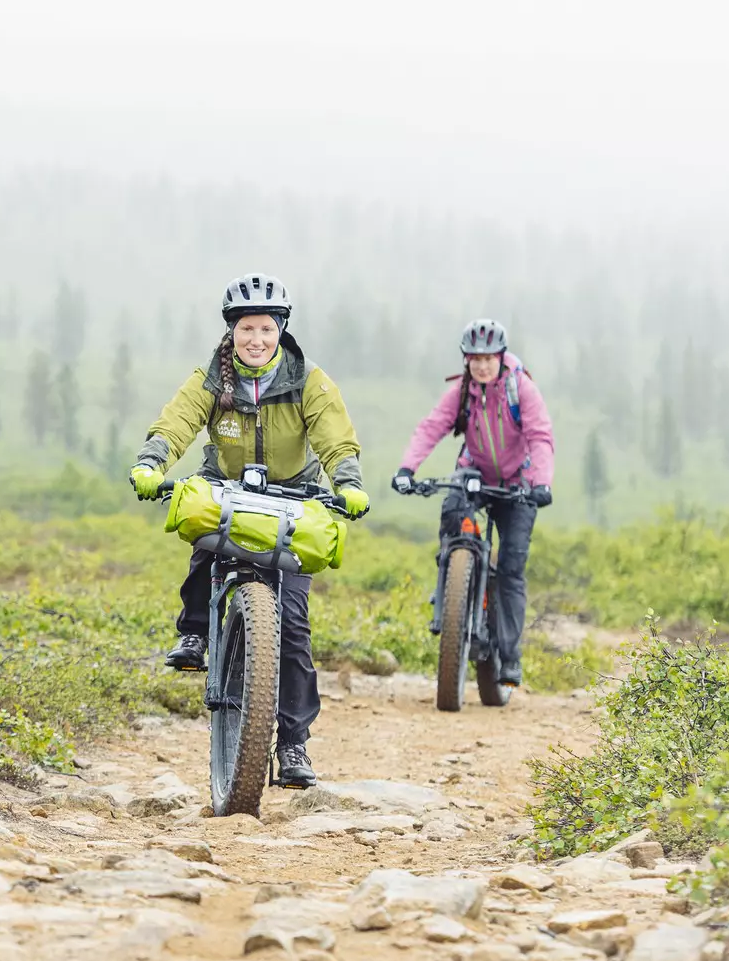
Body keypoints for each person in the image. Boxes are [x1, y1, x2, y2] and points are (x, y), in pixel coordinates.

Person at [127, 273, 368, 789]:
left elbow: (336, 441)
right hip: (227, 488)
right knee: (203, 548)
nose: (255, 339)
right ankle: (194, 632)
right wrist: (152, 463)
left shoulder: (309, 381)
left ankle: (294, 744)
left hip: (293, 501)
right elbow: (175, 424)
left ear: (281, 329)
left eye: (265, 328)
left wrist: (347, 484)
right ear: (230, 331)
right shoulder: (212, 380)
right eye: (245, 329)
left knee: (295, 628)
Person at [392, 319, 555, 693]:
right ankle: (452, 580)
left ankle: (510, 657)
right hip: (475, 473)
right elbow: (432, 427)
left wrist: (542, 483)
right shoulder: (463, 391)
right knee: (452, 511)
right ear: (466, 360)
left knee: (512, 567)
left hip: (519, 483)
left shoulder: (520, 389)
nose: (482, 366)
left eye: (488, 358)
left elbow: (540, 436)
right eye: (475, 359)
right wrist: (407, 468)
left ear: (501, 357)